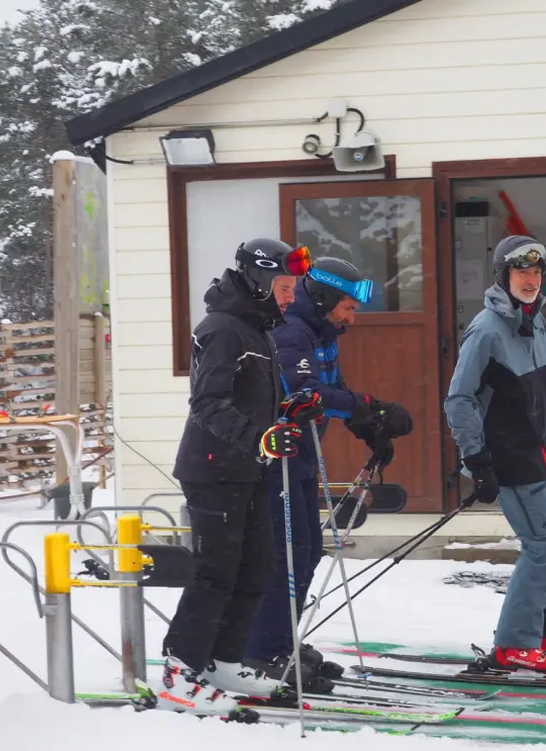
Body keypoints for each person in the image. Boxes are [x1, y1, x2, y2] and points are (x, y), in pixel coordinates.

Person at [158, 238, 318, 716]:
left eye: (293, 287)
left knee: (257, 566)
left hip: (245, 468)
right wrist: (260, 438)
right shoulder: (224, 329)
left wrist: (285, 411)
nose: (291, 296)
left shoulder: (256, 328)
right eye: (284, 286)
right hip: (213, 469)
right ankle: (179, 668)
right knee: (216, 572)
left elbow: (246, 400)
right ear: (259, 281)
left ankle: (221, 661)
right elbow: (207, 403)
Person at [245, 255, 413, 685]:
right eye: (349, 308)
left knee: (307, 552)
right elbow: (304, 391)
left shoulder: (321, 331)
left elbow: (333, 389)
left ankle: (280, 638)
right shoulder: (291, 331)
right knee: (289, 553)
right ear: (324, 299)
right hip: (276, 457)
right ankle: (261, 650)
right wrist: (370, 405)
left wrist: (367, 427)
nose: (352, 318)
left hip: (303, 455)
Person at [443, 235, 546, 674]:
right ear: (503, 276)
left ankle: (543, 630)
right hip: (506, 453)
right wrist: (478, 460)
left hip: (537, 449)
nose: (530, 279)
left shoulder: (535, 318)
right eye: (521, 271)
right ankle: (512, 643)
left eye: (537, 272)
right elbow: (459, 399)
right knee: (544, 543)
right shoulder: (487, 329)